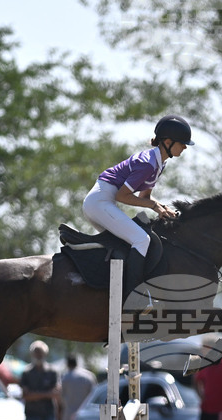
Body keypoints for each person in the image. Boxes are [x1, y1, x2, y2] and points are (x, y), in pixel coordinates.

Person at [82, 115, 192, 300]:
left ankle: (111, 290)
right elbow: (122, 196)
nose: (185, 147)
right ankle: (132, 297)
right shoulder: (148, 164)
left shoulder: (158, 163)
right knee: (141, 239)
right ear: (167, 142)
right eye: (182, 143)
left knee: (128, 244)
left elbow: (144, 197)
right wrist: (155, 206)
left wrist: (163, 208)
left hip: (101, 202)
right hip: (99, 203)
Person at [20, 341, 61, 420]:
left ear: (45, 354)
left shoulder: (52, 372)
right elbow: (25, 396)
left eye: (40, 352)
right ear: (32, 354)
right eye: (36, 352)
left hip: (49, 414)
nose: (38, 355)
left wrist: (35, 394)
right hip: (31, 414)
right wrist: (46, 394)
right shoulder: (26, 372)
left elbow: (56, 393)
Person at [59, 355, 95, 420]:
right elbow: (94, 394)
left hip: (69, 412)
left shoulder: (65, 377)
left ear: (67, 364)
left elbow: (61, 396)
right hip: (86, 412)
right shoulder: (88, 376)